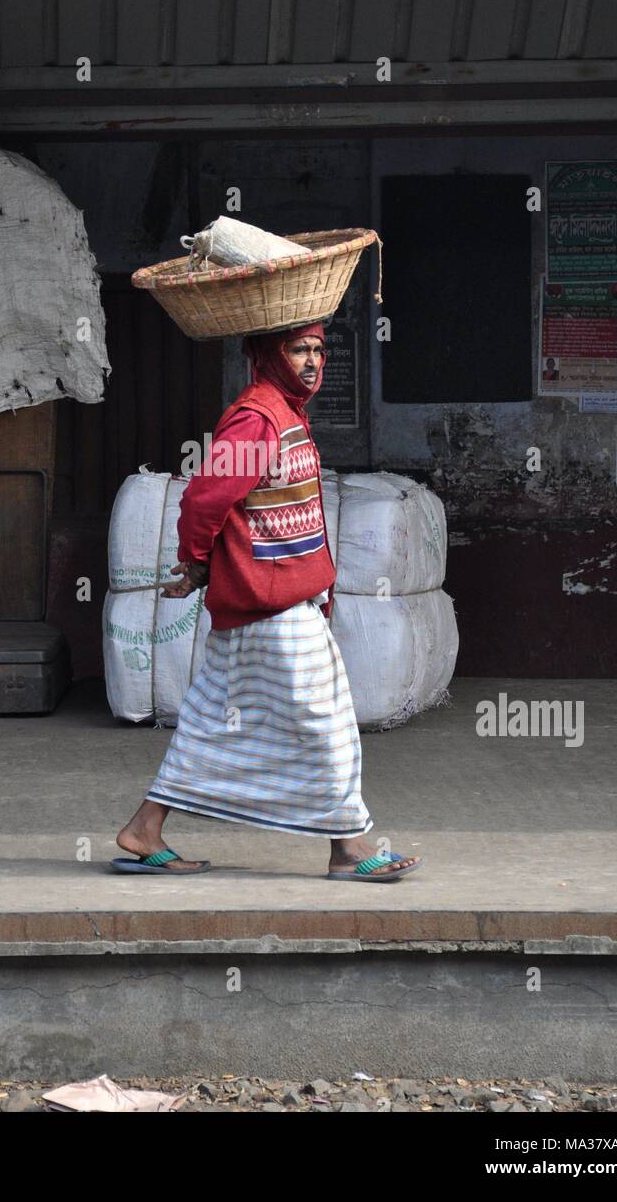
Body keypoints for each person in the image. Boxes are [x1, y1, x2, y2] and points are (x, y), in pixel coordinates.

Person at [111, 320, 421, 882]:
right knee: (323, 720)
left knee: (210, 721)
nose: (312, 362)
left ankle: (145, 828)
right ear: (268, 355)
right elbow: (205, 497)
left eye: (318, 351)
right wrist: (197, 561)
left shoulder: (285, 413)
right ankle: (349, 849)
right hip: (269, 606)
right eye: (298, 350)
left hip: (277, 600)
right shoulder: (257, 419)